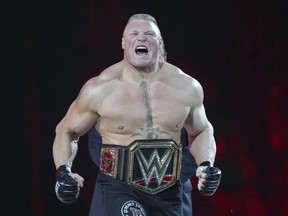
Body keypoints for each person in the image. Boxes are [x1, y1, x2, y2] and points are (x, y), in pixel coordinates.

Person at [53, 13, 221, 216]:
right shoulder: (100, 88)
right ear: (124, 43)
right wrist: (63, 171)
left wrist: (206, 165)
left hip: (168, 191)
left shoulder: (187, 87)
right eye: (134, 33)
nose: (141, 38)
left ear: (159, 43)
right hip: (121, 188)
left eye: (149, 34)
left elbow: (201, 129)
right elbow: (67, 130)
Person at [88, 127, 197, 216]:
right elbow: (97, 147)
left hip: (172, 190)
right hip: (117, 189)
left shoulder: (184, 101)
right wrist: (128, 180)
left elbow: (198, 143)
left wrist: (164, 179)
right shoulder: (106, 102)